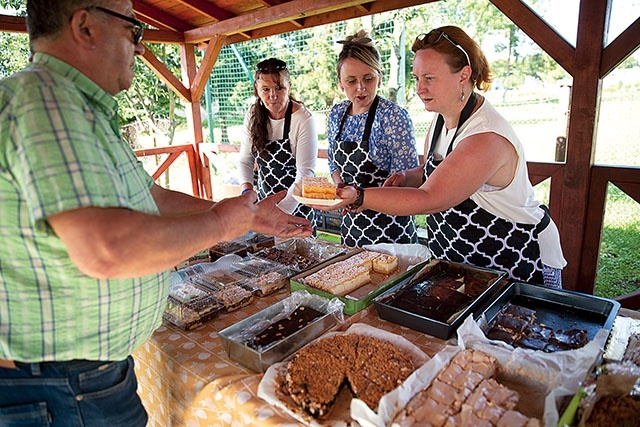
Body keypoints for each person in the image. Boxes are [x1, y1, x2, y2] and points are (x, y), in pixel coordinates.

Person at [0, 2, 312, 426]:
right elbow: (105, 249)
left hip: (79, 376)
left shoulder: (80, 109)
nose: (141, 49)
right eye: (134, 31)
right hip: (61, 383)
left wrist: (250, 217)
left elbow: (154, 197)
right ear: (84, 27)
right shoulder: (49, 104)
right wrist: (223, 225)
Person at [314, 25, 566, 288]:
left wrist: (361, 197)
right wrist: (405, 177)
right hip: (465, 258)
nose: (420, 88)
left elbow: (431, 198)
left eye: (430, 78)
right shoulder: (440, 122)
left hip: (516, 257)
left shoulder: (485, 136)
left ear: (463, 75)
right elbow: (431, 174)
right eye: (417, 78)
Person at [327, 29, 420, 248]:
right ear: (340, 83)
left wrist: (362, 198)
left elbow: (406, 181)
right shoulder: (336, 114)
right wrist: (341, 189)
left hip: (391, 231)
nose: (360, 88)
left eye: (368, 79)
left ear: (380, 76)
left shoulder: (393, 116)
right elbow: (333, 161)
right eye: (351, 81)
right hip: (351, 227)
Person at [238, 57, 318, 225]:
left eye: (279, 88)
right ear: (257, 90)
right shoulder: (253, 114)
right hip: (263, 204)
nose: (272, 96)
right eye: (265, 89)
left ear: (289, 87)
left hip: (296, 206)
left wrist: (280, 212)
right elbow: (245, 160)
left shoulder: (303, 119)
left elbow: (305, 175)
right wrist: (247, 193)